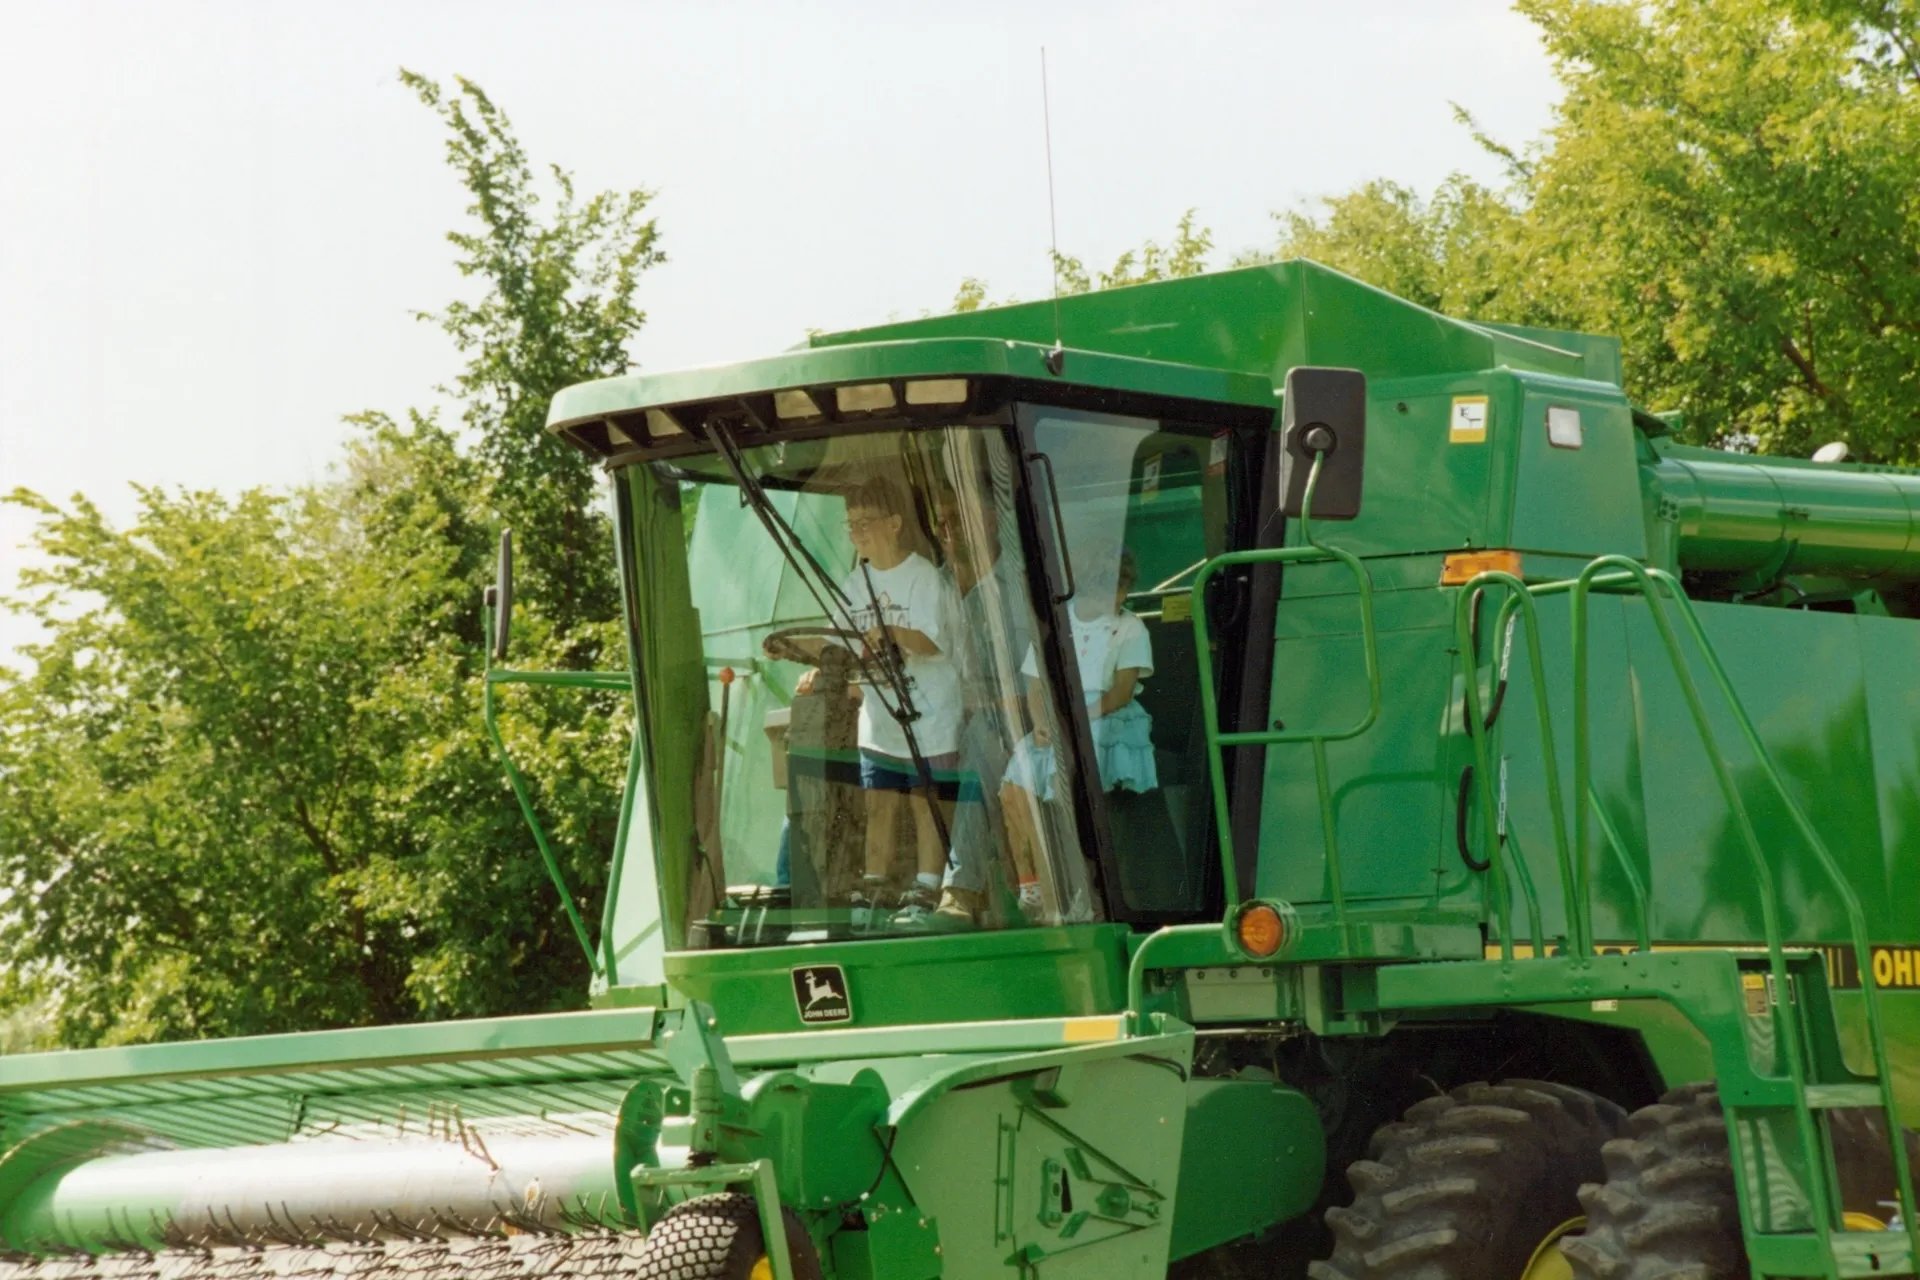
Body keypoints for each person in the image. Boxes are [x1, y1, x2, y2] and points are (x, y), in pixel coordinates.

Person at [771, 478, 963, 922]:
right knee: (879, 800)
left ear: (895, 524)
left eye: (865, 522)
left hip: (929, 712)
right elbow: (838, 641)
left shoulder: (924, 577)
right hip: (880, 716)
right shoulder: (855, 581)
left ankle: (928, 884)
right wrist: (813, 660)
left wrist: (894, 634)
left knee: (924, 797)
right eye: (850, 525)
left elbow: (937, 642)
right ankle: (875, 884)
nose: (856, 532)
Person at [999, 548, 1156, 923]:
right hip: (1056, 719)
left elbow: (1120, 692)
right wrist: (1042, 722)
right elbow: (1035, 686)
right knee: (1013, 791)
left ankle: (1080, 895)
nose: (1120, 597)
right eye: (1112, 587)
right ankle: (1034, 887)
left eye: (1125, 588)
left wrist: (1072, 722)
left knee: (1063, 790)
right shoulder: (1056, 623)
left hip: (1100, 718)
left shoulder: (1131, 627)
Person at [926, 487, 1032, 926]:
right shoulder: (934, 584)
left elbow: (1036, 675)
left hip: (1016, 714)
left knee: (983, 734)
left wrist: (986, 703)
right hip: (940, 709)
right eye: (940, 519)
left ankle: (960, 888)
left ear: (989, 520)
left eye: (957, 517)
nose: (945, 528)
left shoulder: (1023, 585)